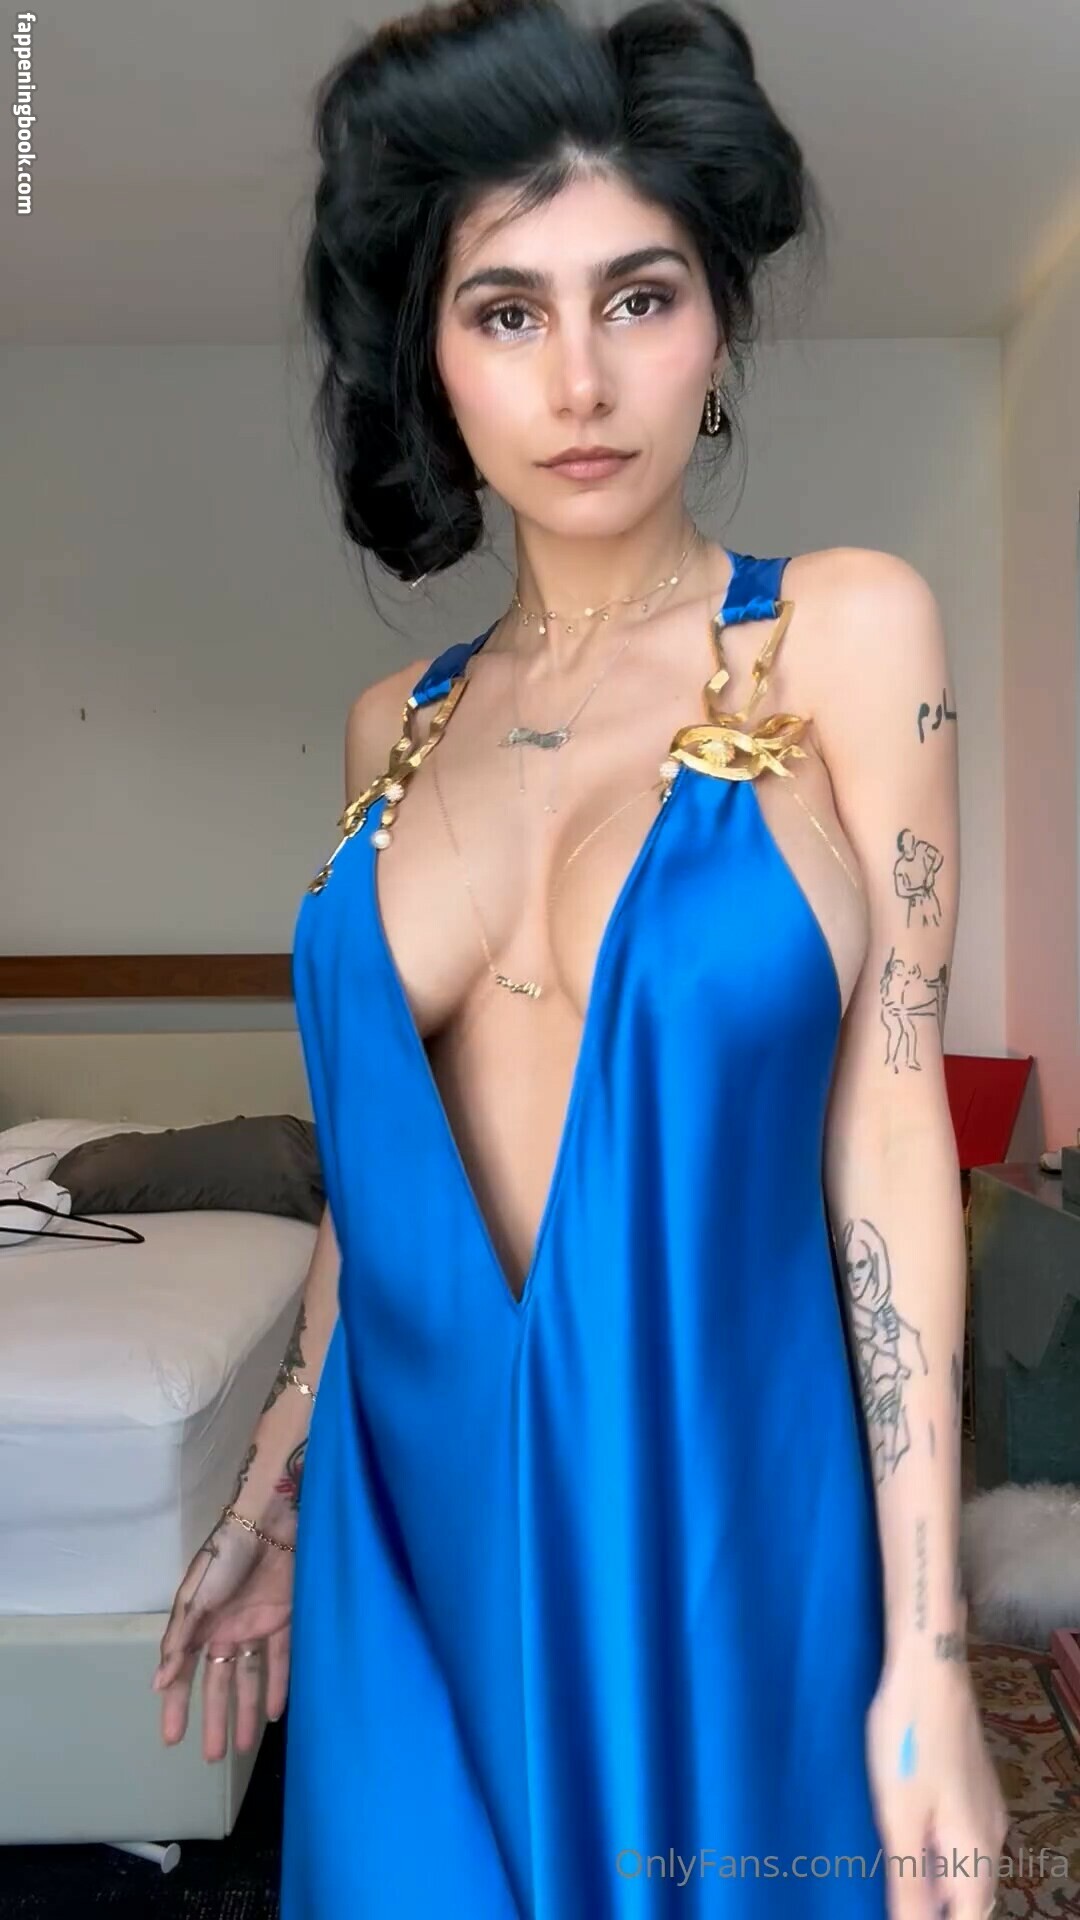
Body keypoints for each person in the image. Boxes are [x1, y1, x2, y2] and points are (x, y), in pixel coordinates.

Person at [152, 1, 1009, 1913]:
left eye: (638, 296)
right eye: (506, 312)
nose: (582, 379)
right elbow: (381, 1182)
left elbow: (891, 1140)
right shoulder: (393, 728)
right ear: (432, 357)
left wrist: (931, 1650)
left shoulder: (845, 636)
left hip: (716, 1510)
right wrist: (281, 1487)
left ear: (717, 324)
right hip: (405, 1514)